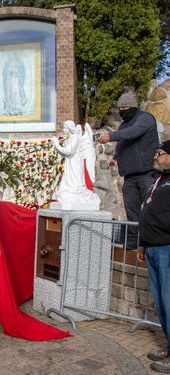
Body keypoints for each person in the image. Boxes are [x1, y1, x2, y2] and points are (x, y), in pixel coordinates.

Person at [98, 90, 159, 248]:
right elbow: (124, 141)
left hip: (147, 174)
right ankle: (133, 242)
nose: (122, 112)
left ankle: (153, 241)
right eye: (120, 109)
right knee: (131, 211)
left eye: (124, 108)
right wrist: (117, 158)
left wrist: (111, 136)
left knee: (152, 208)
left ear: (132, 107)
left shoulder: (145, 118)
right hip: (130, 176)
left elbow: (133, 133)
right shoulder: (125, 124)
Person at [137, 140, 170, 373]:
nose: (155, 157)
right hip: (151, 249)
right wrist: (141, 245)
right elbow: (146, 212)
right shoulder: (156, 181)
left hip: (168, 250)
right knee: (161, 304)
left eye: (160, 153)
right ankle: (168, 346)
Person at [51, 120, 100, 208]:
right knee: (66, 187)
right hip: (70, 164)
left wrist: (57, 145)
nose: (63, 129)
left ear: (70, 128)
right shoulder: (71, 138)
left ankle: (80, 195)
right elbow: (64, 153)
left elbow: (67, 151)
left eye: (65, 127)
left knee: (75, 185)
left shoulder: (75, 138)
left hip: (75, 165)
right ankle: (70, 195)